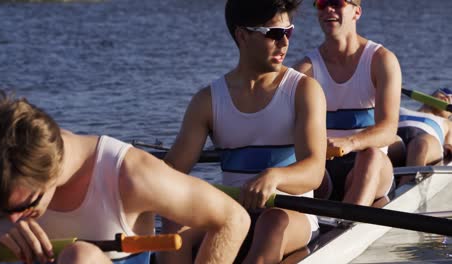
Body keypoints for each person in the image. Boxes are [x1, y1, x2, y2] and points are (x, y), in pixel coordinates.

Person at [0, 91, 250, 264]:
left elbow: (232, 219)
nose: (13, 219)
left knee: (81, 257)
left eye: (22, 208)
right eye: (1, 208)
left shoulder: (131, 174)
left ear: (53, 171)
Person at [158, 0, 327, 263]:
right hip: (232, 211)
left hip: (292, 214)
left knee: (271, 222)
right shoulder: (207, 101)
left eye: (288, 32)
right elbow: (173, 171)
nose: (285, 43)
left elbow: (315, 171)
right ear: (242, 35)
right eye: (274, 34)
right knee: (173, 224)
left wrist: (274, 177)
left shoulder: (304, 91)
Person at [293, 0, 402, 206]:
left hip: (369, 168)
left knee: (371, 156)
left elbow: (388, 130)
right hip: (322, 169)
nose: (329, 10)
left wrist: (349, 143)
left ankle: (348, 222)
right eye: (322, 4)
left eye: (337, 3)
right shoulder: (304, 69)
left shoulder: (381, 61)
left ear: (356, 12)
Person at [388, 88, 452, 185]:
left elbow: (449, 147)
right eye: (445, 91)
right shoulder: (399, 109)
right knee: (382, 144)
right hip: (397, 143)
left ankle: (407, 185)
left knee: (420, 143)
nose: (448, 96)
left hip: (427, 146)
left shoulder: (447, 123)